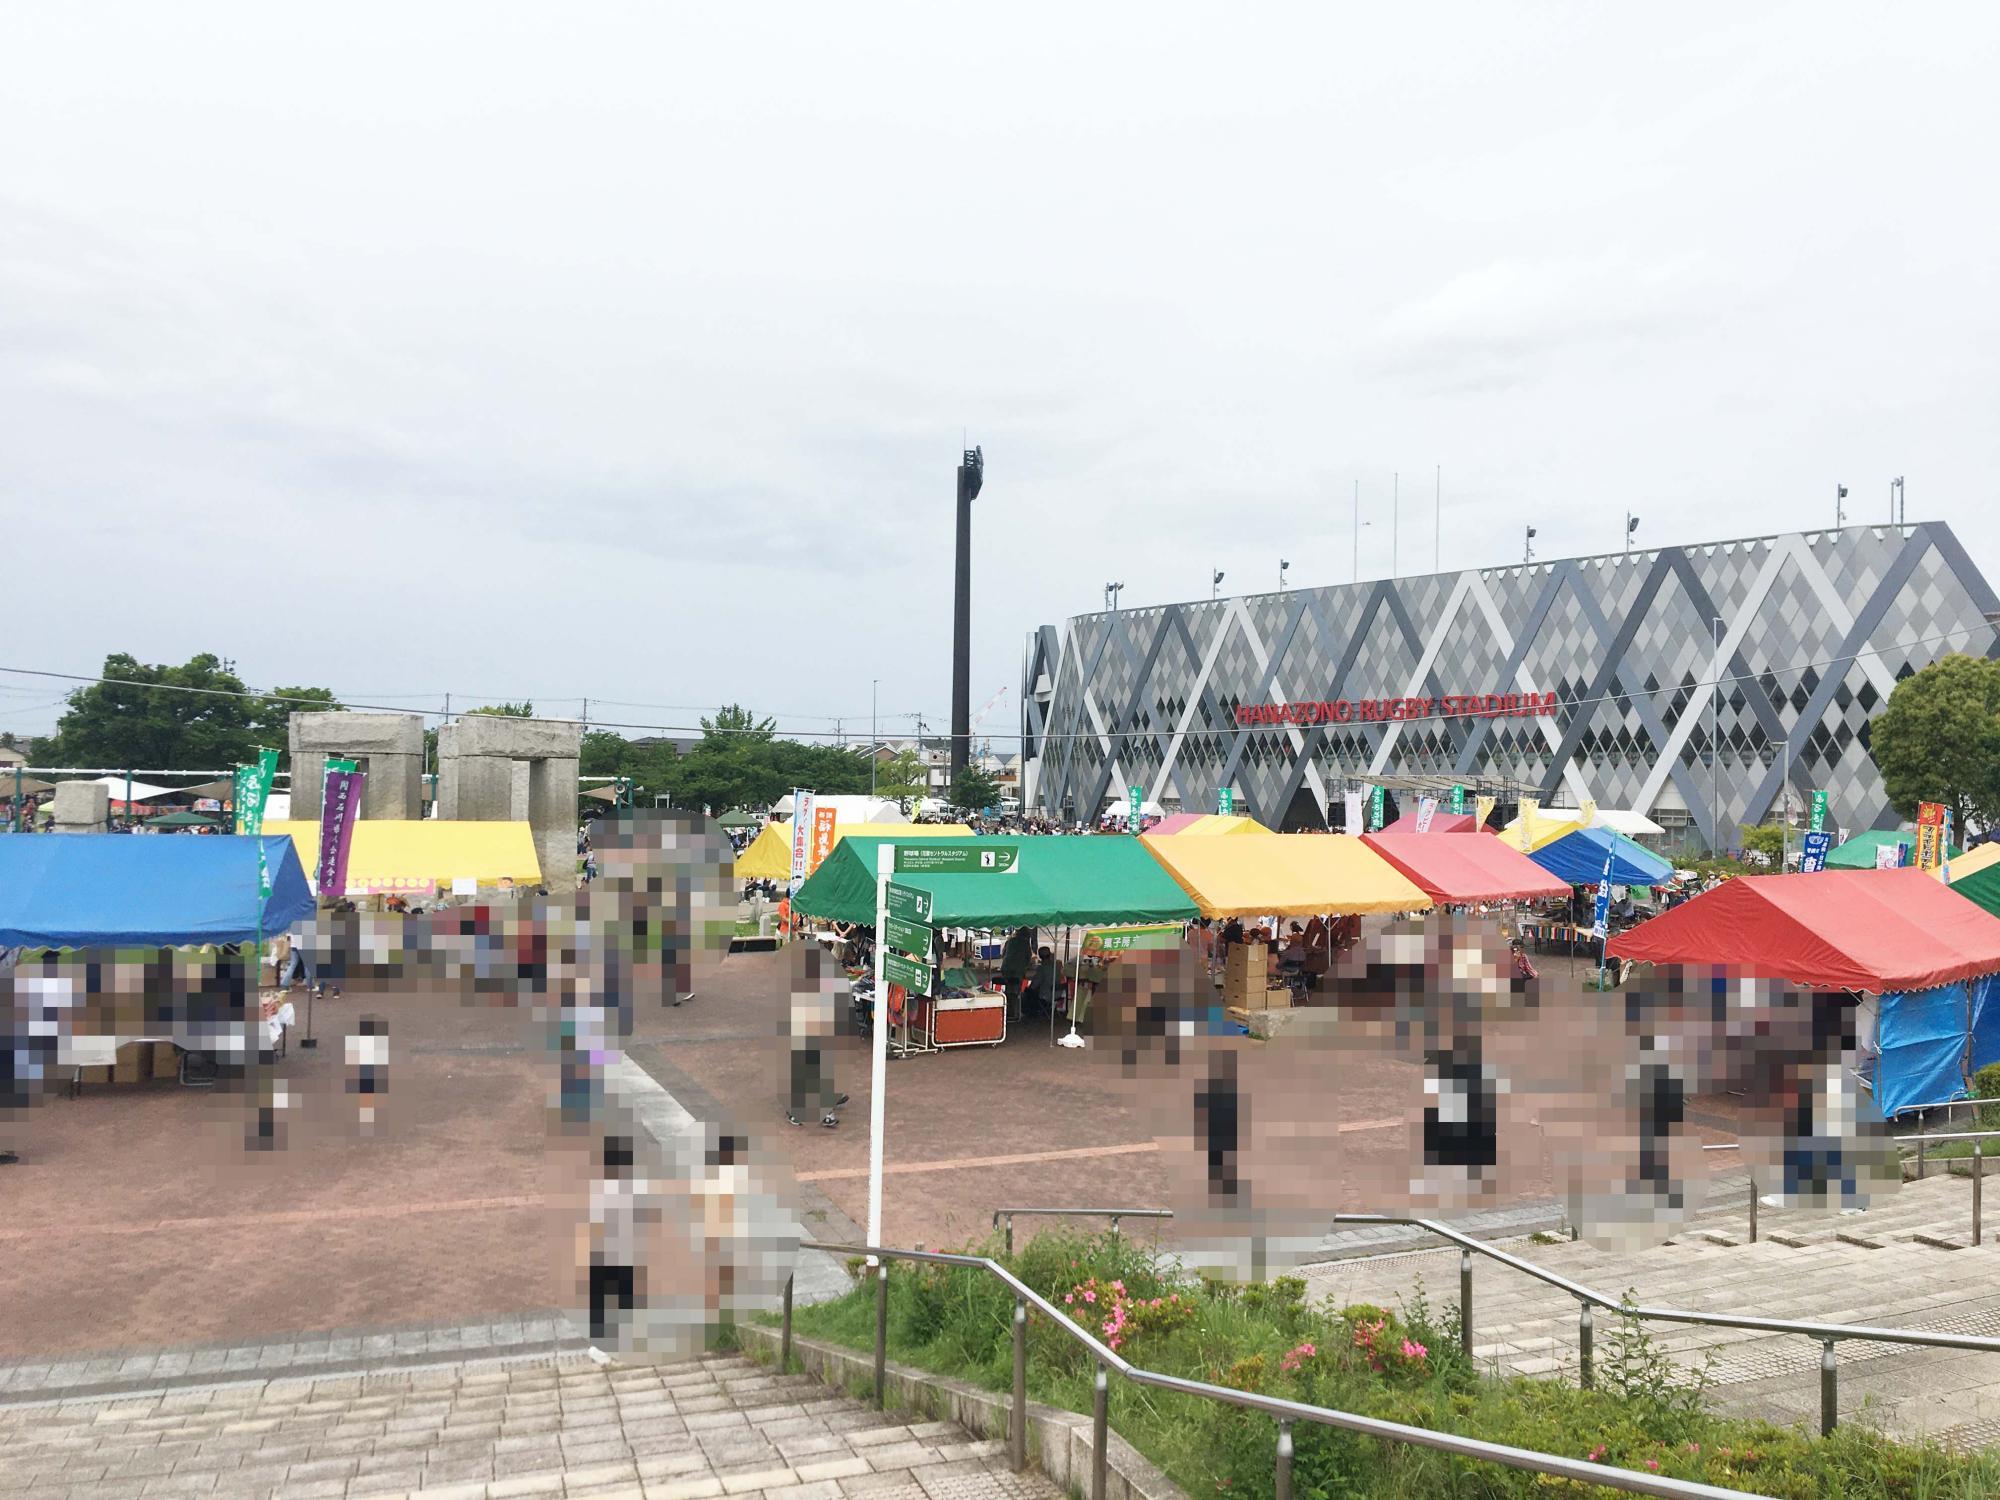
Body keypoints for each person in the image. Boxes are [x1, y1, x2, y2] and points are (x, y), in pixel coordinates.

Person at [999, 926, 1033, 1020]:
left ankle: (1007, 1008)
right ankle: (1015, 1011)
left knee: (1008, 987)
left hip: (1006, 967)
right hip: (1018, 969)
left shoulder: (1010, 941)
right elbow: (1028, 957)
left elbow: (1003, 954)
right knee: (1016, 990)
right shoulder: (1025, 943)